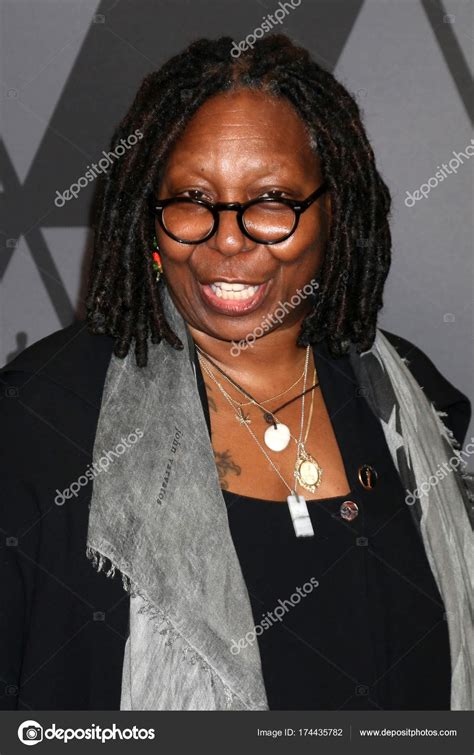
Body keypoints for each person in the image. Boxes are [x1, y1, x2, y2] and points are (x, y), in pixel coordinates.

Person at [1, 34, 472, 712]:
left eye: (272, 199)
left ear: (334, 211)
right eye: (192, 198)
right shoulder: (38, 429)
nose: (228, 238)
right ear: (146, 221)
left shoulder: (413, 403)